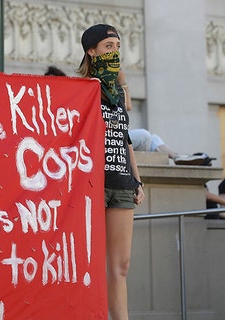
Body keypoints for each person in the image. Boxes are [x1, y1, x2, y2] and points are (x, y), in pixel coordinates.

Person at [78, 24, 144, 320]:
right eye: (108, 46)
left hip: (121, 182)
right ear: (91, 51)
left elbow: (125, 138)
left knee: (122, 265)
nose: (114, 52)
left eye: (117, 47)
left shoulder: (117, 91)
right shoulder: (81, 90)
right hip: (91, 184)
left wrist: (137, 180)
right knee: (87, 263)